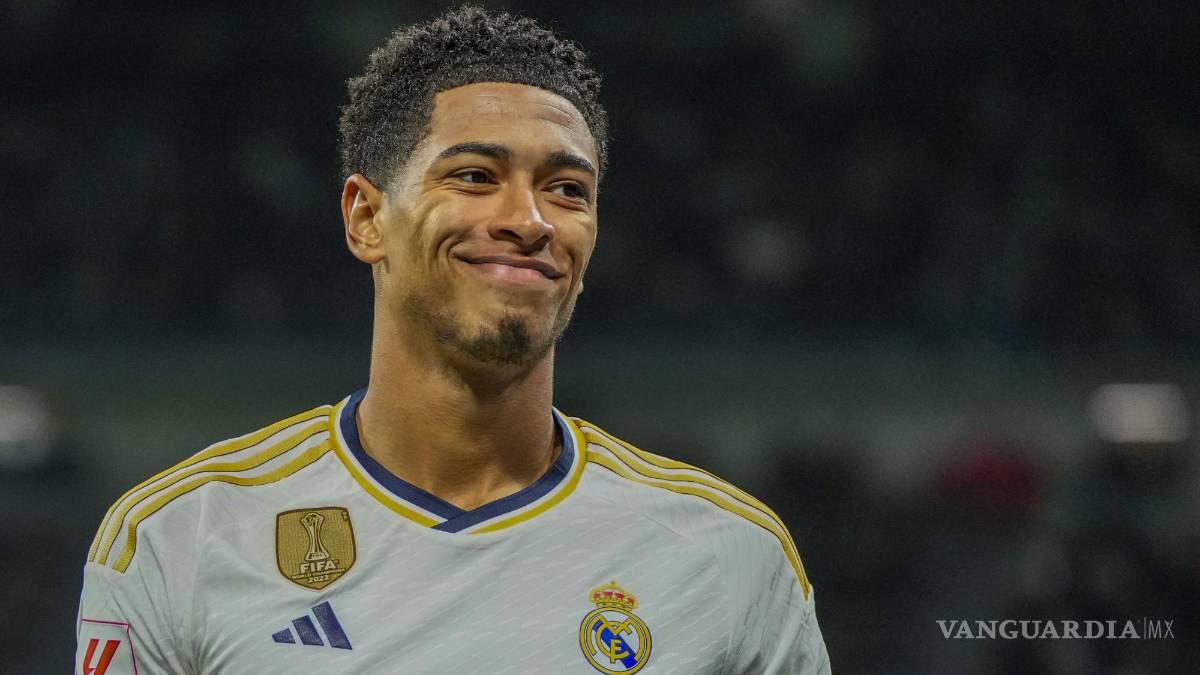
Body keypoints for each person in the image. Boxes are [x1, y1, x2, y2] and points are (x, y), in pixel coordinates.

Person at [75, 6, 830, 674]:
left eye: (568, 190)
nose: (529, 220)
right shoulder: (180, 538)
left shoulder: (728, 555)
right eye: (474, 176)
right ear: (366, 218)